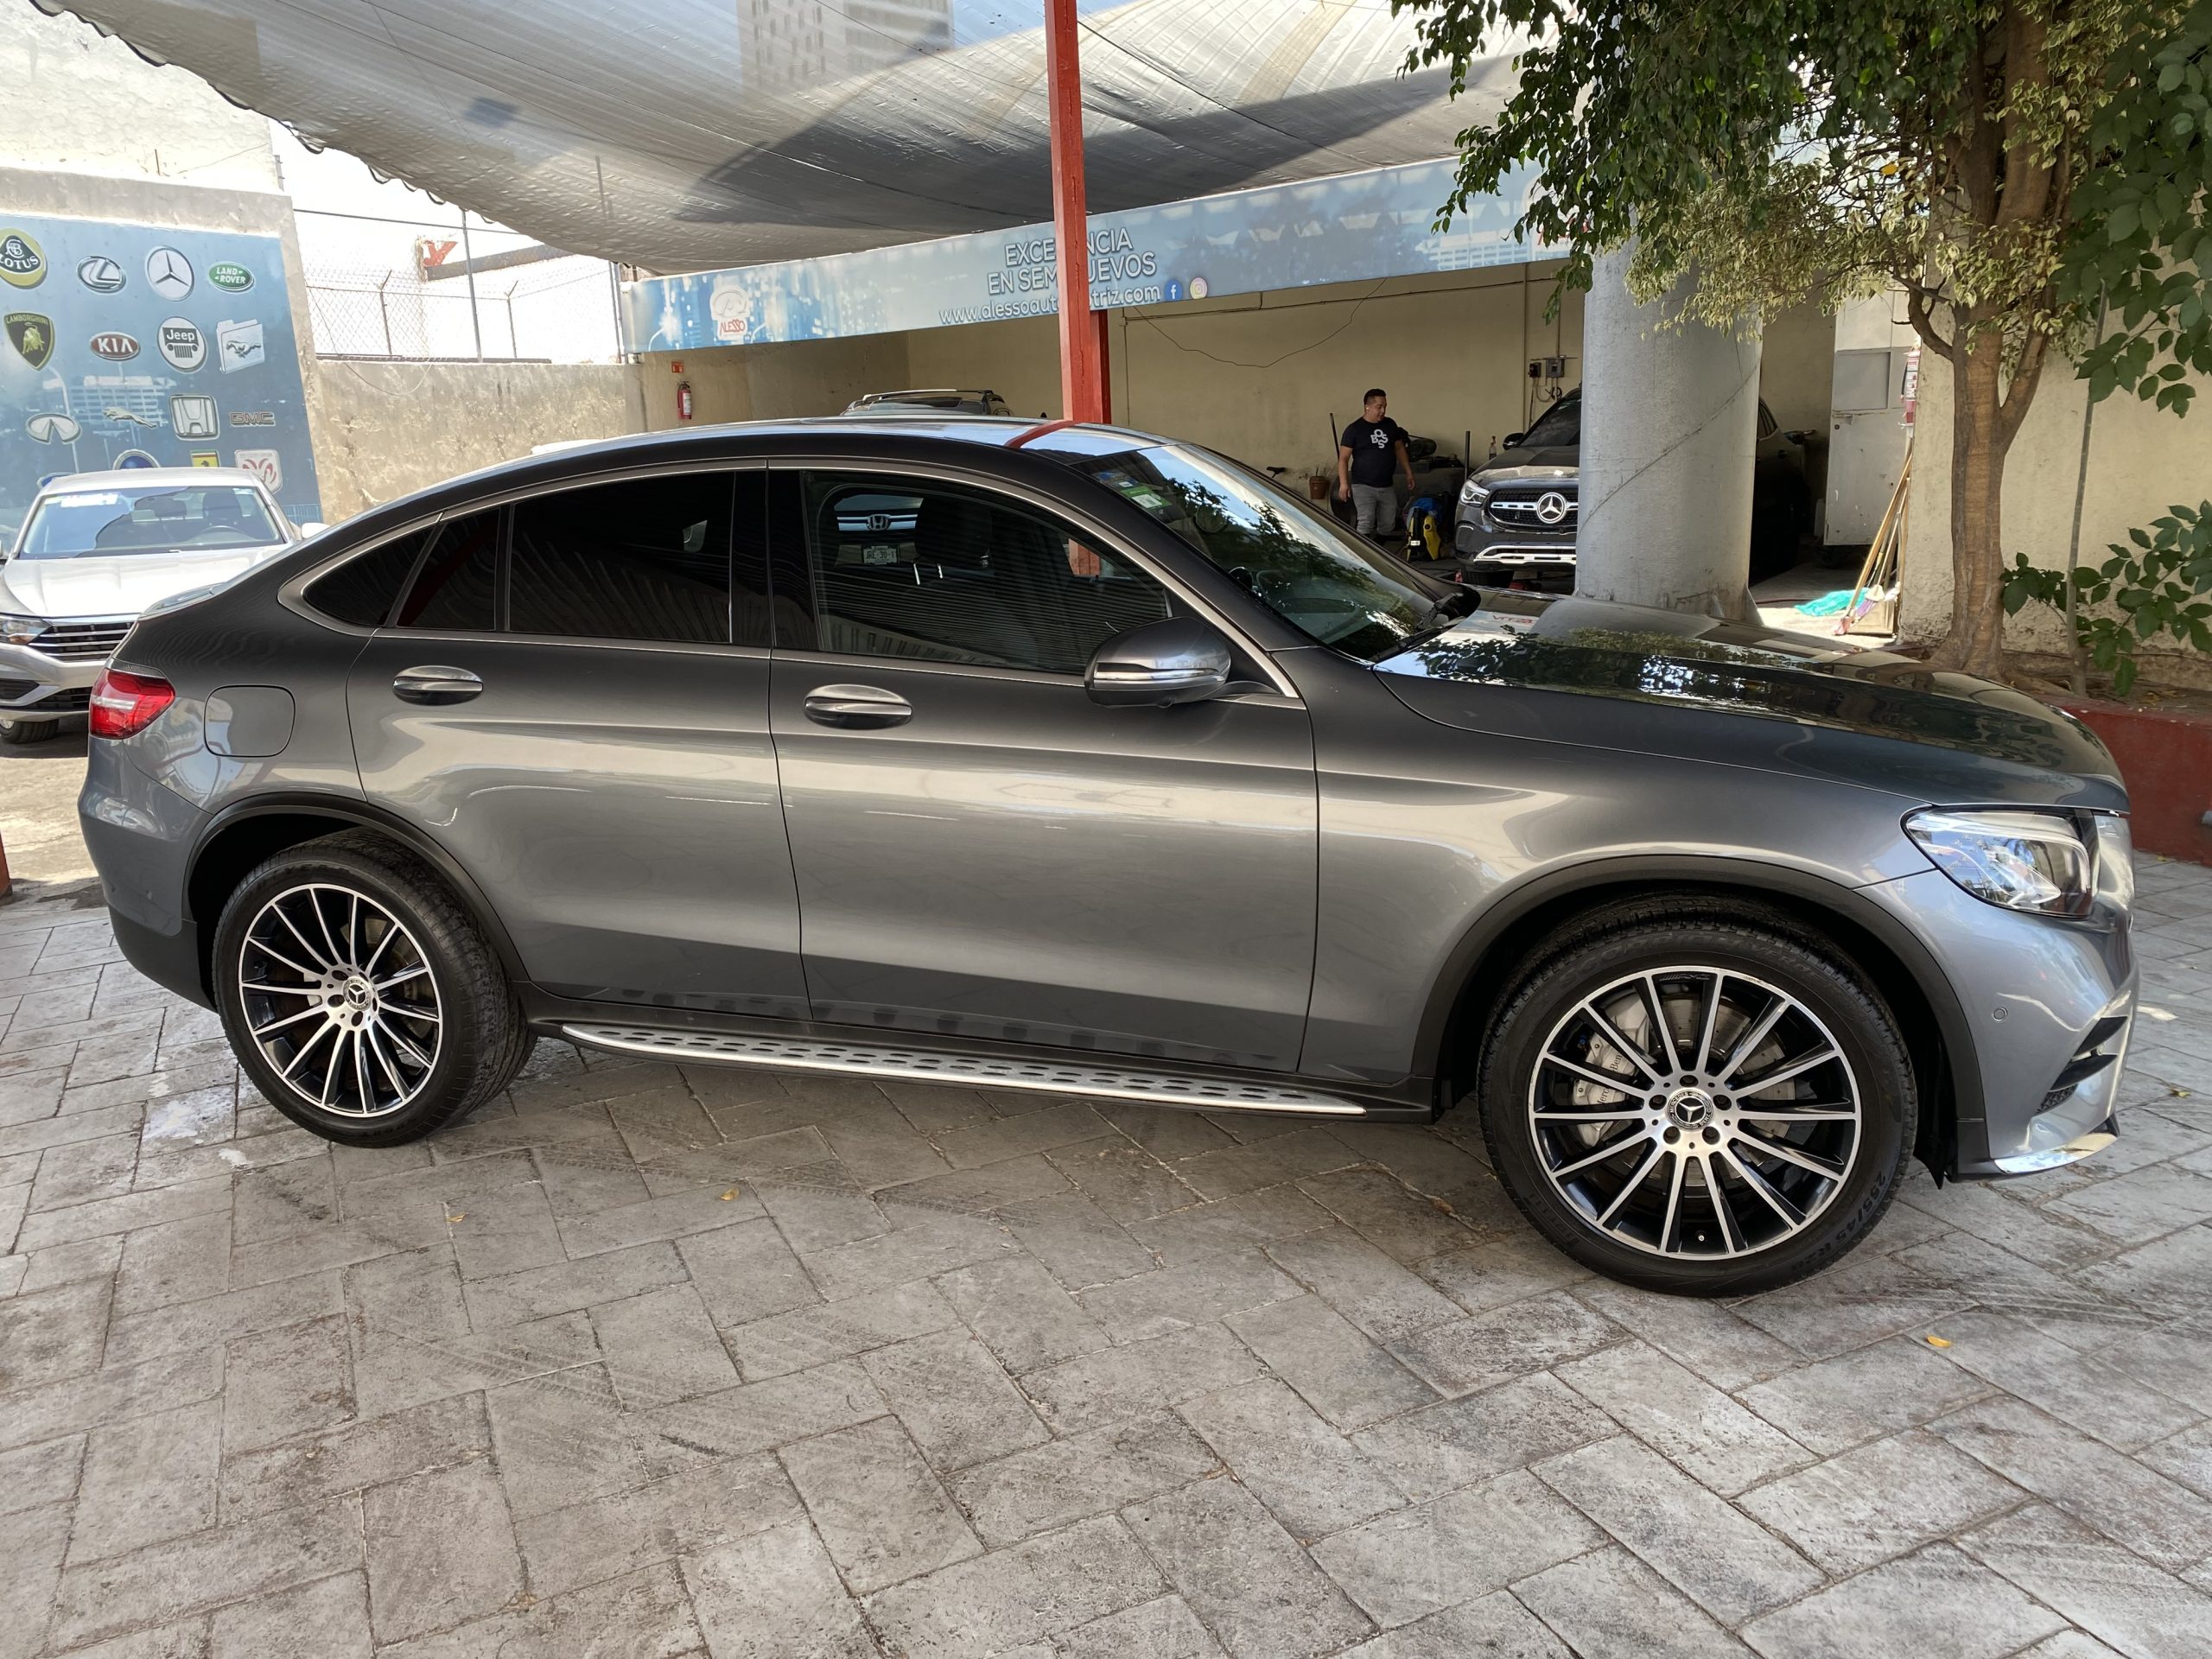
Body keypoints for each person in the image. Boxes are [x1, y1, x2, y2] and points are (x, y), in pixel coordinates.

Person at [1338, 389, 1416, 543]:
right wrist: (1343, 483)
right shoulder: (1354, 429)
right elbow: (1343, 458)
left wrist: (1408, 472)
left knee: (1388, 523)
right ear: (1367, 406)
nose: (1382, 411)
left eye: (1385, 406)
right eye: (1379, 407)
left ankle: (1378, 549)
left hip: (1386, 485)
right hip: (1363, 484)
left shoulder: (1390, 424)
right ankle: (1362, 556)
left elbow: (1399, 448)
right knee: (1366, 521)